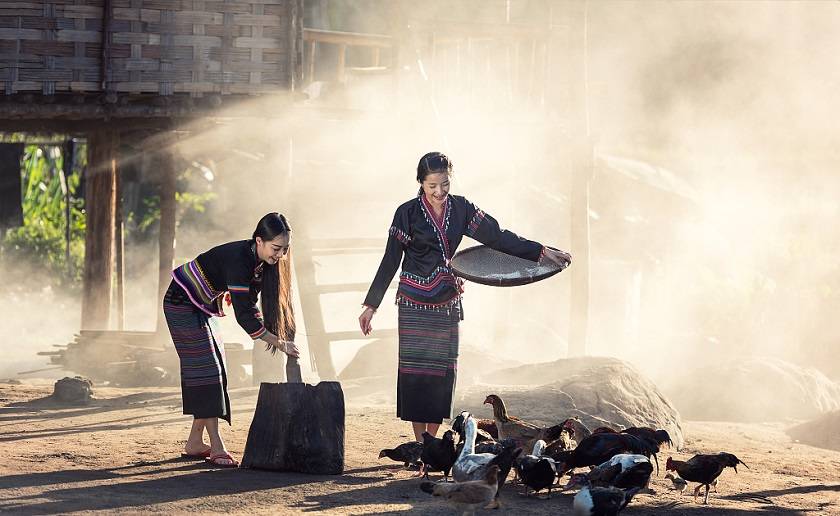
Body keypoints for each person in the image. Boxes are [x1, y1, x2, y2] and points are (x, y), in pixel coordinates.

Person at [359, 152, 571, 444]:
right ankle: (421, 445)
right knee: (416, 375)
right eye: (432, 185)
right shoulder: (405, 213)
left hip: (447, 301)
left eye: (444, 184)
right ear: (420, 183)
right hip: (413, 303)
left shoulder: (463, 209)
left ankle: (429, 445)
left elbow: (498, 237)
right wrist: (371, 305)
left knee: (440, 378)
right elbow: (391, 259)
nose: (439, 191)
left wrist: (542, 251)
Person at [163, 212, 299, 467]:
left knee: (216, 368)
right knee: (208, 372)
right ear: (259, 241)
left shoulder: (261, 264)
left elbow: (250, 304)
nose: (280, 255)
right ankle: (216, 446)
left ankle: (194, 442)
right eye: (276, 248)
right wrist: (277, 342)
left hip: (203, 305)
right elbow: (244, 316)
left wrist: (274, 335)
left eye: (285, 250)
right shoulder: (240, 260)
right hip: (180, 302)